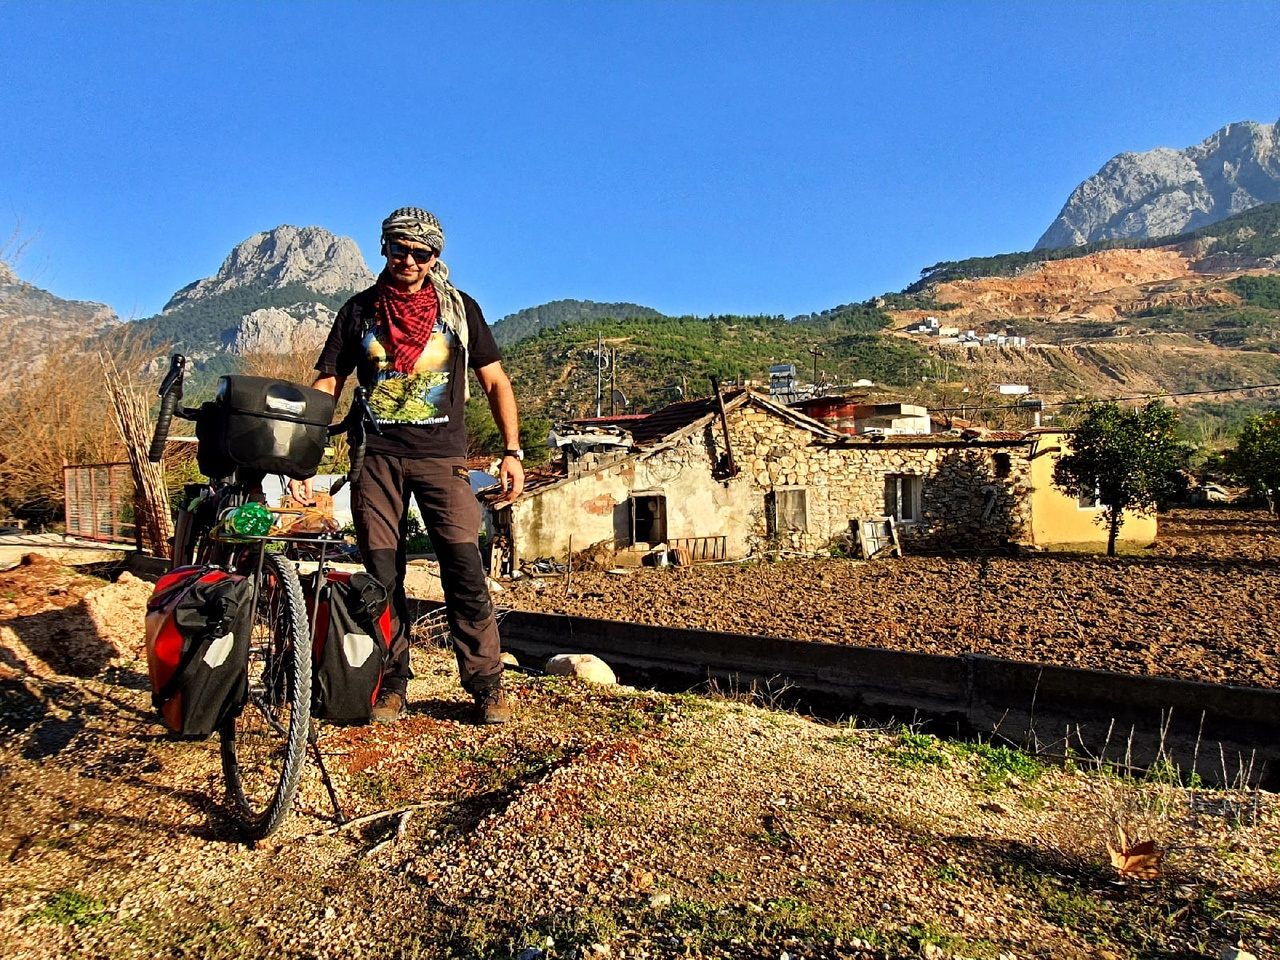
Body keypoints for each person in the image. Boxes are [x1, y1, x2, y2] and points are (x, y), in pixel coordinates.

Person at [289, 207, 524, 724]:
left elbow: (496, 382)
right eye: (401, 250)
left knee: (464, 570)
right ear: (385, 249)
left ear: (435, 256)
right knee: (381, 574)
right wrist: (302, 451)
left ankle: (485, 684)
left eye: (422, 253)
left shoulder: (460, 312)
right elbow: (329, 383)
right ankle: (392, 683)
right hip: (375, 458)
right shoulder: (358, 312)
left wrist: (512, 451)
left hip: (444, 461)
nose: (410, 260)